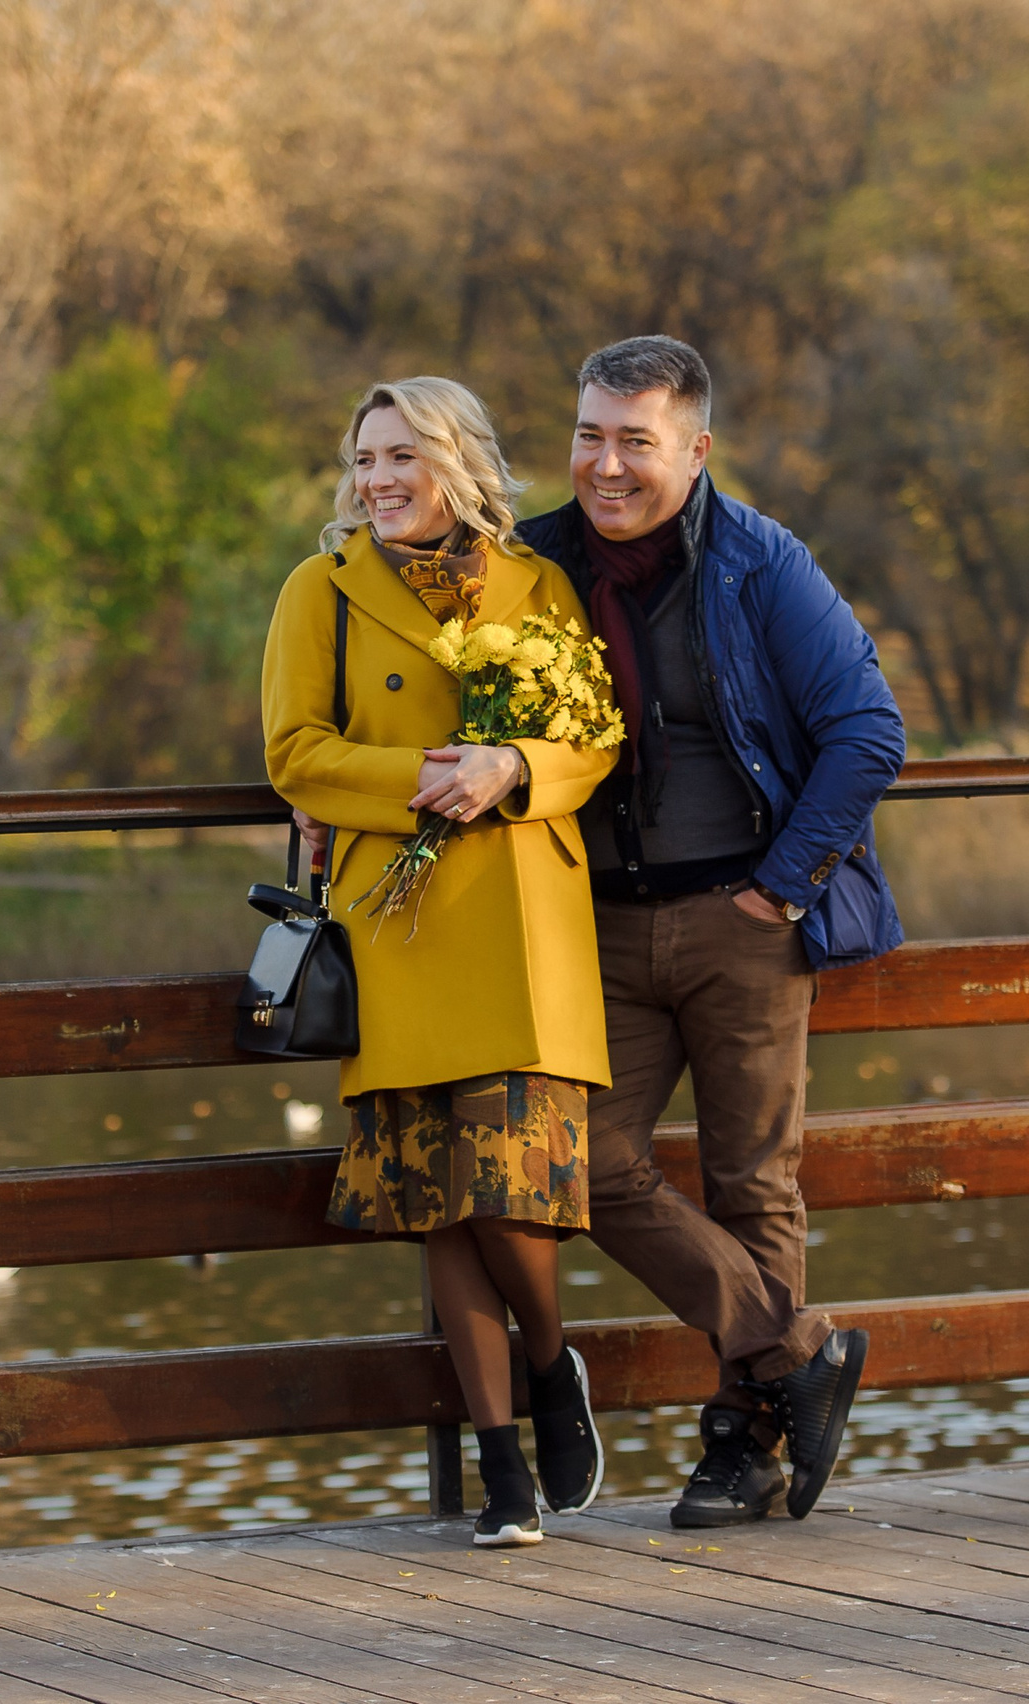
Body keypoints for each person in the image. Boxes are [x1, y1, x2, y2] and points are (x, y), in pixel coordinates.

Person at [516, 334, 903, 1527]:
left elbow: (865, 733)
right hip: (599, 930)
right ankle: (795, 1357)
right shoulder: (532, 565)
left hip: (744, 918)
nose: (607, 464)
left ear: (695, 448)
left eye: (636, 440)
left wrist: (778, 891)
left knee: (752, 1182)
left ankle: (745, 1446)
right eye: (590, 434)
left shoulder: (759, 565)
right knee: (576, 1163)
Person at [263, 378, 619, 1546]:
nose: (376, 481)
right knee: (439, 1206)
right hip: (398, 927)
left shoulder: (538, 582)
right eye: (362, 460)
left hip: (521, 920)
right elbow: (294, 752)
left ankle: (552, 1362)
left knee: (507, 1193)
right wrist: (426, 770)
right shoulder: (321, 590)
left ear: (455, 461)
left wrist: (510, 767)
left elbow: (593, 736)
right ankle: (502, 1459)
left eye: (401, 456)